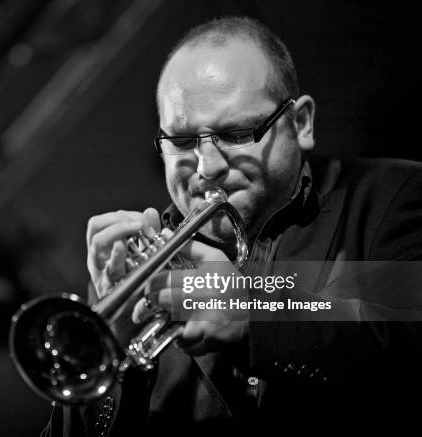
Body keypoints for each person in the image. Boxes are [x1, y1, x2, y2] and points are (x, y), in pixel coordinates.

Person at [43, 16, 422, 435]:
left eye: (237, 133)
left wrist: (253, 311)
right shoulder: (144, 268)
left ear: (301, 124)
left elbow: (406, 335)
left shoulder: (392, 195)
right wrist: (106, 357)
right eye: (183, 142)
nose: (208, 167)